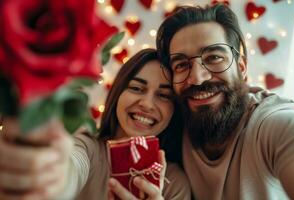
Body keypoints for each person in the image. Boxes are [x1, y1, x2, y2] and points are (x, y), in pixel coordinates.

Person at [0, 48, 191, 200]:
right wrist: (54, 174)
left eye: (164, 95)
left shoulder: (174, 183)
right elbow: (71, 169)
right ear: (118, 94)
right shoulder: (88, 148)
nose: (147, 104)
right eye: (136, 88)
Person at [156, 3, 294, 200]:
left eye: (214, 57)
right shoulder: (174, 123)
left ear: (241, 67)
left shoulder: (272, 125)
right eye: (181, 64)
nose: (197, 78)